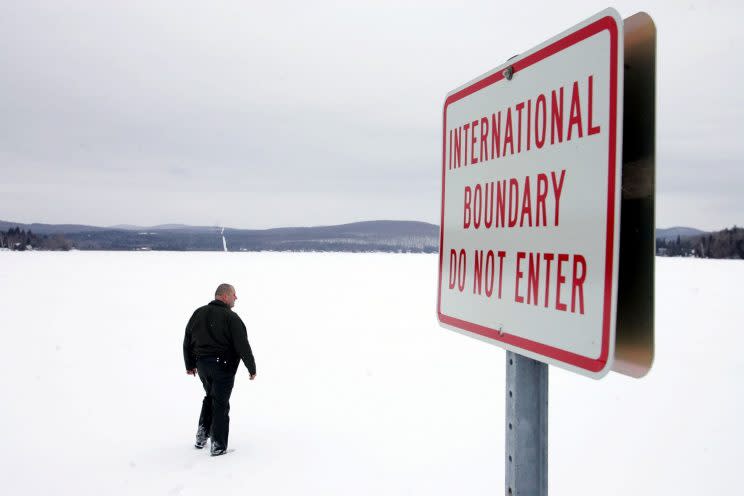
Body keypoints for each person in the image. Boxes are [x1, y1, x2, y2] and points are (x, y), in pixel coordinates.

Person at [183, 283, 256, 456]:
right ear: (224, 296)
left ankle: (202, 437)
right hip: (222, 366)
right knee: (221, 404)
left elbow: (187, 339)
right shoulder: (231, 317)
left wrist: (189, 364)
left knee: (210, 398)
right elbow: (242, 345)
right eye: (233, 295)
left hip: (202, 365)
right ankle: (218, 446)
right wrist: (251, 367)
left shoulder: (198, 313)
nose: (236, 298)